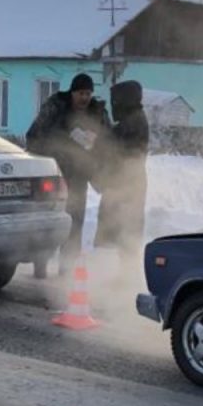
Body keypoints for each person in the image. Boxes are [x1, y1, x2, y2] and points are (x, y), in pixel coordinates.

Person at [26, 73, 110, 273]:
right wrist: (66, 138)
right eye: (81, 93)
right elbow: (34, 136)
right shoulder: (55, 107)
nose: (84, 98)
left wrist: (95, 143)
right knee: (49, 220)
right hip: (53, 175)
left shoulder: (97, 114)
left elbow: (109, 142)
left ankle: (66, 267)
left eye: (88, 93)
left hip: (79, 175)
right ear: (72, 93)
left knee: (75, 221)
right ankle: (41, 263)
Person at [95, 80, 150, 260]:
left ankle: (127, 276)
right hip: (127, 183)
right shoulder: (134, 119)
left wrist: (101, 122)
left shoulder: (134, 121)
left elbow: (113, 146)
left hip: (126, 184)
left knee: (127, 229)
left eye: (115, 101)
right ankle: (124, 274)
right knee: (126, 230)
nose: (113, 106)